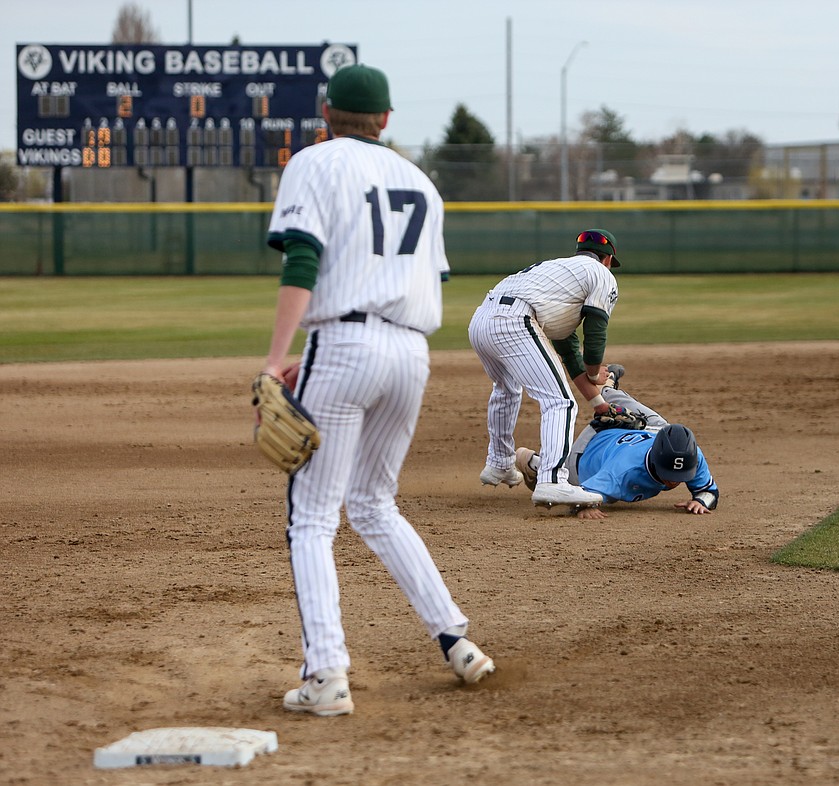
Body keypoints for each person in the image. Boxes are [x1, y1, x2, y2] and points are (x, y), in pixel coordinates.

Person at [259, 63, 493, 717]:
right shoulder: (422, 181)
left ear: (325, 115)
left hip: (345, 344)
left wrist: (280, 356)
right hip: (411, 353)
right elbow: (418, 279)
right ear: (386, 120)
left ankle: (326, 675)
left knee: (312, 518)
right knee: (375, 503)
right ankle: (457, 642)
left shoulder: (317, 161)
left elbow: (302, 257)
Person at [468, 229, 621, 508]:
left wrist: (598, 403)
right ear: (608, 259)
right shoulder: (601, 274)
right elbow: (596, 329)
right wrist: (594, 371)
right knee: (560, 402)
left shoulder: (560, 276)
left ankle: (500, 463)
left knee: (507, 389)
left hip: (481, 320)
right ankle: (552, 481)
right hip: (515, 320)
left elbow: (568, 349)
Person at [514, 365, 719, 520]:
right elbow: (578, 498)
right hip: (585, 454)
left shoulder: (689, 454)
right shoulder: (621, 472)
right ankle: (531, 461)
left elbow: (710, 492)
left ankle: (607, 388)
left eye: (679, 476)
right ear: (655, 459)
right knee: (568, 481)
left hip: (635, 434)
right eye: (669, 475)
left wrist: (700, 501)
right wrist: (585, 507)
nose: (674, 482)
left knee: (661, 425)